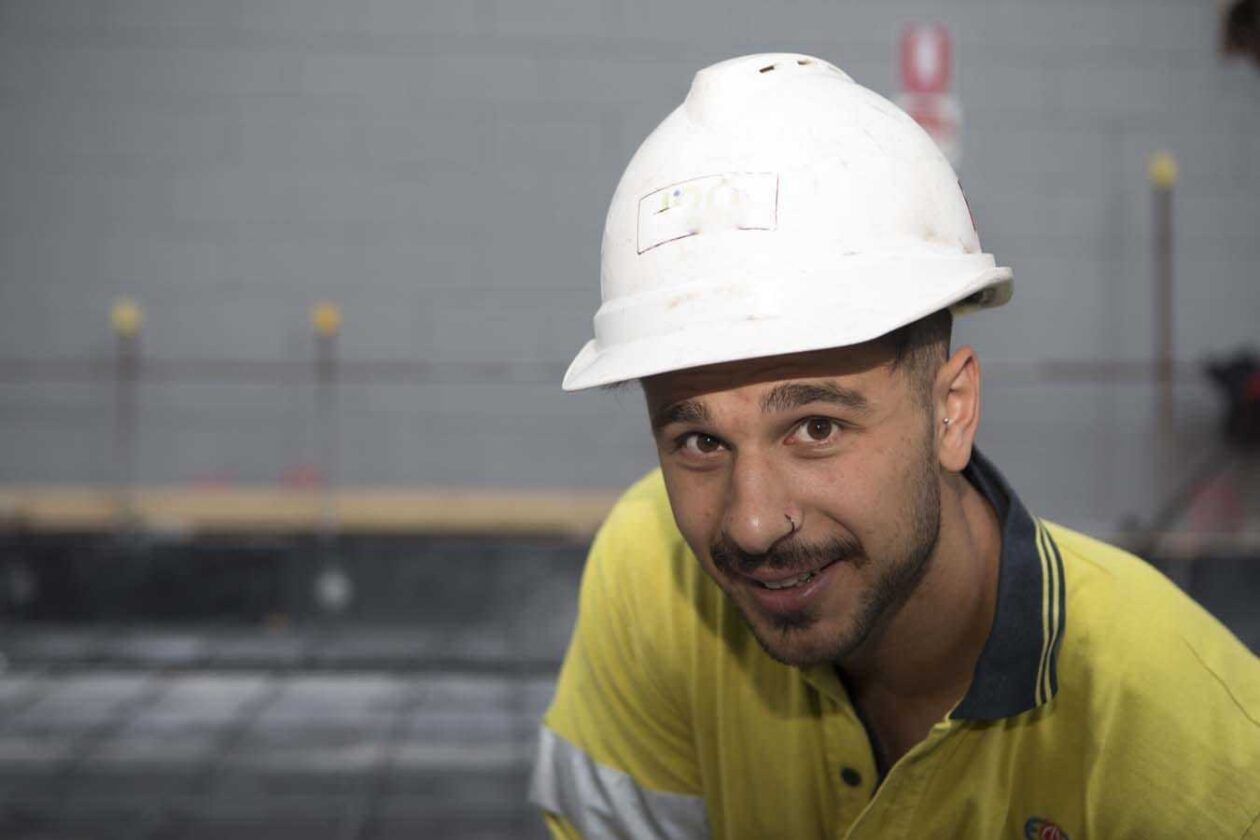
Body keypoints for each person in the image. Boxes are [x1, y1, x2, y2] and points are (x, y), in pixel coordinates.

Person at [529, 53, 1260, 839]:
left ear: (951, 411)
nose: (751, 522)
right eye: (700, 440)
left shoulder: (1190, 744)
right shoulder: (654, 573)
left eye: (816, 428)